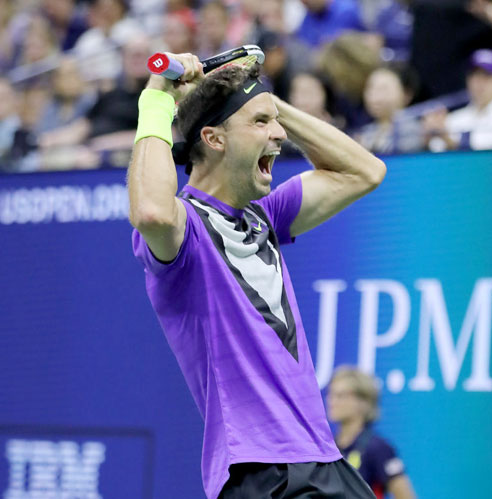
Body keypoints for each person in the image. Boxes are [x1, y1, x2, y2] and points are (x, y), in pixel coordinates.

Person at [128, 52, 386, 499]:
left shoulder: (265, 217)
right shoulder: (185, 230)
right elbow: (150, 209)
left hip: (323, 460)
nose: (281, 134)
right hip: (261, 472)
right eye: (262, 122)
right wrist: (157, 98)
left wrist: (262, 96)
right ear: (213, 138)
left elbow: (364, 171)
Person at [327, 367, 416, 499]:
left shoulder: (378, 448)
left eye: (341, 396)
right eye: (331, 394)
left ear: (363, 402)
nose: (332, 401)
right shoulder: (329, 447)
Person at [423, 49, 492, 151]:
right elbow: (437, 150)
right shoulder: (456, 118)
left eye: (487, 75)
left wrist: (451, 142)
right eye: (474, 74)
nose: (478, 81)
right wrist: (429, 137)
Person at [356, 65, 423, 154]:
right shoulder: (365, 132)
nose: (374, 97)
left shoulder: (417, 130)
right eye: (370, 88)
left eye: (383, 89)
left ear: (406, 94)